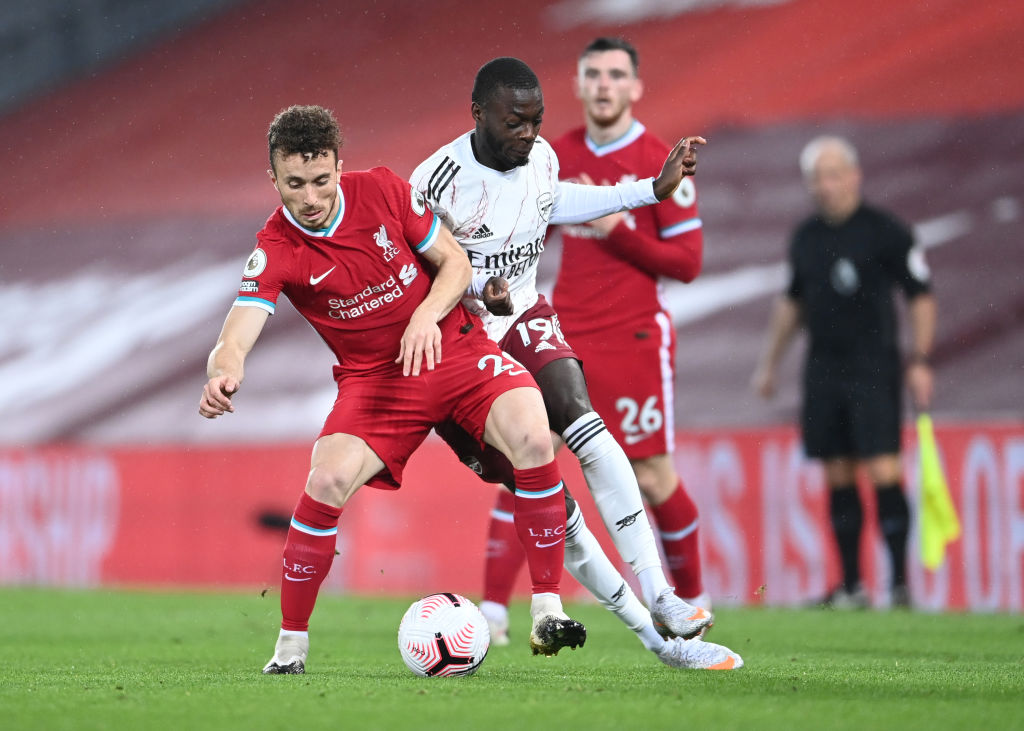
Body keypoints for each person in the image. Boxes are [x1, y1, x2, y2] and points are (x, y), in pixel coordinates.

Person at [199, 104, 587, 675]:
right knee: (326, 477)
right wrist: (222, 370)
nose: (310, 197)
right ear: (274, 179)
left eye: (321, 180)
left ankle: (547, 609)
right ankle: (290, 647)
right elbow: (239, 326)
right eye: (294, 184)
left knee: (534, 435)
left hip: (454, 348)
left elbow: (453, 263)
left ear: (338, 166)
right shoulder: (277, 246)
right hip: (376, 380)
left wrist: (426, 316)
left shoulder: (381, 189)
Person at [411, 58, 742, 670]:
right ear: (478, 114)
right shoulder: (434, 180)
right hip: (462, 347)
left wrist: (651, 189)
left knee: (585, 423)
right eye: (515, 123)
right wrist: (475, 293)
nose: (529, 135)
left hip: (525, 318)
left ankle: (663, 595)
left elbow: (556, 200)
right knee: (553, 506)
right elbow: (414, 279)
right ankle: (658, 642)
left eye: (537, 122)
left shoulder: (540, 158)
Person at [751, 135, 936, 609]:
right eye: (817, 177)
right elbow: (792, 302)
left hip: (873, 366)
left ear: (855, 175)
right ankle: (851, 585)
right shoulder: (806, 237)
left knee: (881, 467)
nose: (826, 185)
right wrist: (769, 363)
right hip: (824, 368)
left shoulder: (885, 230)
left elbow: (920, 293)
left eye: (834, 175)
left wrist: (921, 358)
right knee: (836, 471)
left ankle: (898, 586)